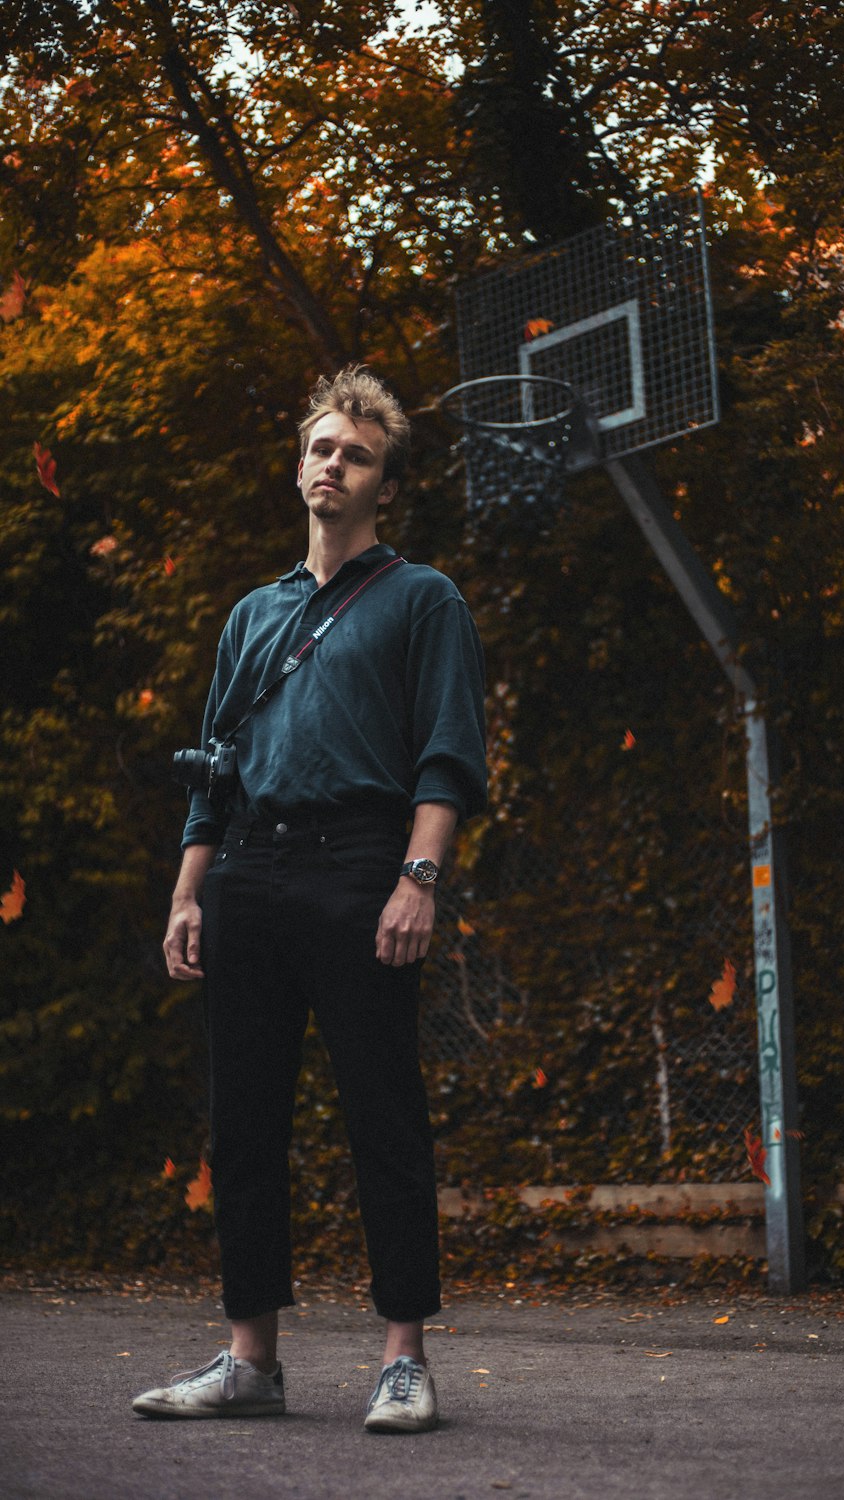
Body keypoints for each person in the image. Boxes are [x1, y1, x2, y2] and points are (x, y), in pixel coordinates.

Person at [132, 367, 487, 1431]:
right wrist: (189, 895)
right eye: (323, 448)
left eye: (358, 454)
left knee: (385, 1118)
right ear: (300, 467)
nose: (335, 464)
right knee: (242, 1125)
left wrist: (416, 877)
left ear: (386, 485)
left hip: (359, 867)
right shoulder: (253, 615)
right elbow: (216, 774)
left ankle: (404, 1359)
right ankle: (251, 1363)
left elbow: (447, 756)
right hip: (247, 873)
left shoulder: (423, 599)